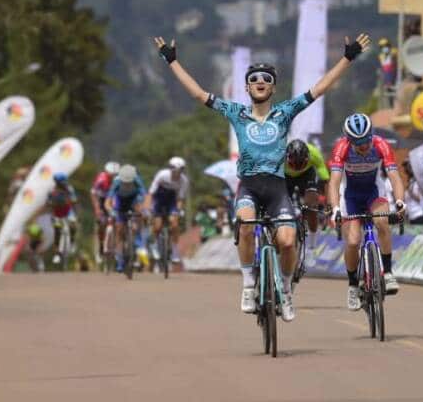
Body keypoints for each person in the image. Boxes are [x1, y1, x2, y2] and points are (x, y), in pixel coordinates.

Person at [153, 32, 371, 322]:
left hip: (277, 187)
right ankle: (247, 285)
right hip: (249, 187)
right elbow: (197, 93)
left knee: (289, 241)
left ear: (273, 87)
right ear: (246, 87)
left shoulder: (284, 112)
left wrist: (347, 58)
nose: (260, 83)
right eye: (255, 79)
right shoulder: (236, 112)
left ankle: (286, 290)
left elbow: (319, 88)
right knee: (244, 225)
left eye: (266, 79)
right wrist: (172, 62)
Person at [327, 112, 406, 311]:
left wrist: (399, 202)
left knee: (382, 222)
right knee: (353, 241)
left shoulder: (381, 144)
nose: (363, 146)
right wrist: (335, 209)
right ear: (349, 140)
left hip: (373, 191)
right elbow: (334, 183)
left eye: (366, 141)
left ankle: (387, 272)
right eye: (358, 143)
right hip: (350, 196)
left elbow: (395, 177)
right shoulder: (341, 148)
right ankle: (353, 284)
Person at [146, 156, 189, 264]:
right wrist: (148, 206)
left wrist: (178, 211)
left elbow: (180, 198)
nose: (177, 174)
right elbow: (151, 193)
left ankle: (174, 250)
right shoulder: (162, 175)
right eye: (175, 171)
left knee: (174, 224)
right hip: (158, 200)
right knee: (157, 226)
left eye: (180, 172)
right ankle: (154, 245)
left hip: (171, 201)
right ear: (170, 169)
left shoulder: (184, 180)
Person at [105, 164, 147, 272]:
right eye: (125, 181)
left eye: (129, 181)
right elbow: (108, 201)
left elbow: (145, 197)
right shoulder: (117, 181)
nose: (127, 183)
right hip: (120, 202)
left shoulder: (137, 180)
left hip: (133, 200)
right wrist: (111, 211)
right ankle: (119, 260)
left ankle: (138, 239)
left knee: (139, 212)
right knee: (119, 230)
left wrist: (144, 210)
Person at [285, 139, 329, 240]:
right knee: (283, 203)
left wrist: (328, 205)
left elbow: (326, 181)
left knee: (311, 205)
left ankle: (313, 233)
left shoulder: (314, 154)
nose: (297, 168)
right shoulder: (278, 155)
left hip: (307, 174)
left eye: (301, 164)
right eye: (293, 164)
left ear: (308, 157)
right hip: (286, 176)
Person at [90, 161, 120, 261]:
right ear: (106, 173)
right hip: (102, 200)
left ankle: (116, 247)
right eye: (111, 175)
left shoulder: (118, 180)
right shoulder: (101, 179)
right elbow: (93, 194)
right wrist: (97, 209)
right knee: (101, 224)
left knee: (118, 223)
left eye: (115, 175)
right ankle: (101, 245)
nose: (112, 177)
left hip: (113, 200)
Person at [47, 173, 79, 265]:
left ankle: (72, 242)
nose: (63, 184)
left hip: (68, 212)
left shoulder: (69, 189)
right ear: (56, 182)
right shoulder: (52, 190)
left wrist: (73, 203)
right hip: (57, 213)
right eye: (61, 182)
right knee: (57, 231)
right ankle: (57, 254)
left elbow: (74, 200)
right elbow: (48, 202)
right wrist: (51, 205)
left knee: (73, 225)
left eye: (64, 182)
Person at [402, 160, 423, 225]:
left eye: (408, 167)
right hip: (411, 216)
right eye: (405, 167)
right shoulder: (410, 181)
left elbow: (420, 199)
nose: (406, 169)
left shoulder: (418, 182)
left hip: (418, 215)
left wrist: (410, 193)